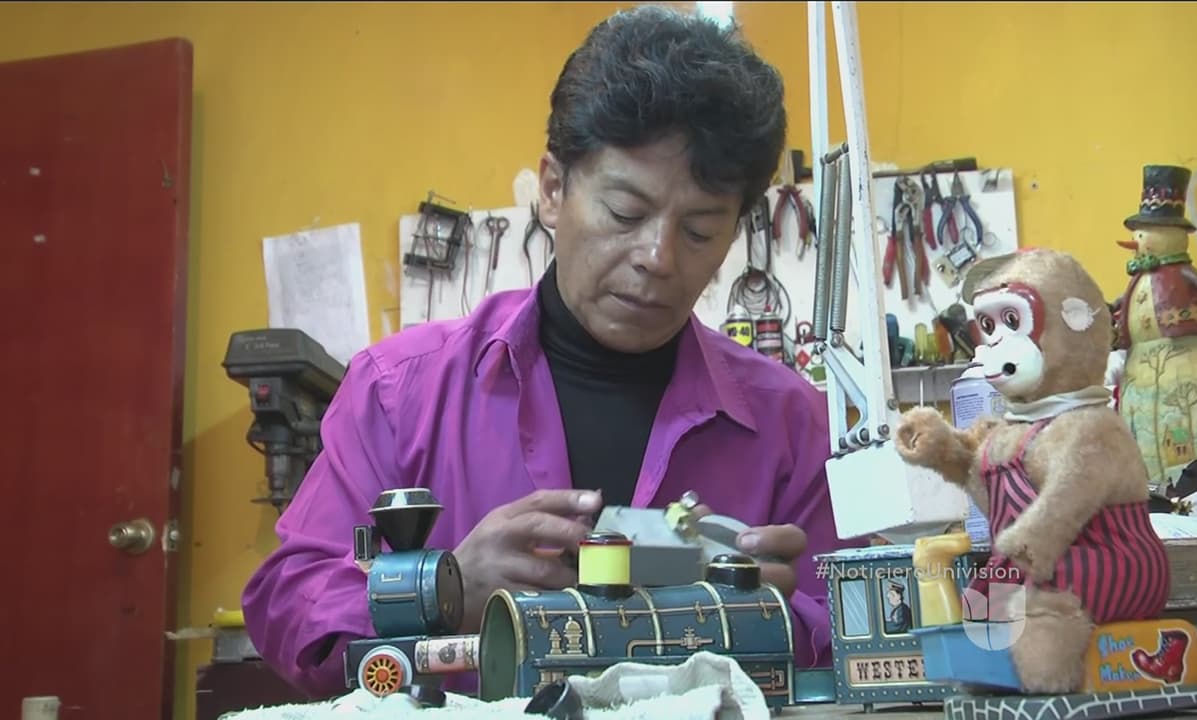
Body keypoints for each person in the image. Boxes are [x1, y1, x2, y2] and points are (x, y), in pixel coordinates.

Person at [242, 4, 861, 699]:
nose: (657, 258)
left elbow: (856, 630)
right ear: (553, 190)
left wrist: (771, 620)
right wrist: (442, 590)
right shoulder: (399, 392)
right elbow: (289, 604)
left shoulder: (789, 424)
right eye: (625, 213)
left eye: (699, 231)